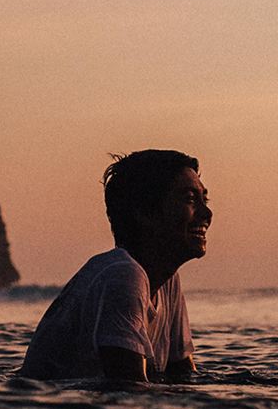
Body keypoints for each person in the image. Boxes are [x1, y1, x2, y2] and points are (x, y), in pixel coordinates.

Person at [19, 150, 211, 381]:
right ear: (144, 213)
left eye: (205, 199)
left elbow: (186, 377)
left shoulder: (167, 280)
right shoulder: (122, 276)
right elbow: (128, 390)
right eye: (189, 199)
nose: (206, 213)